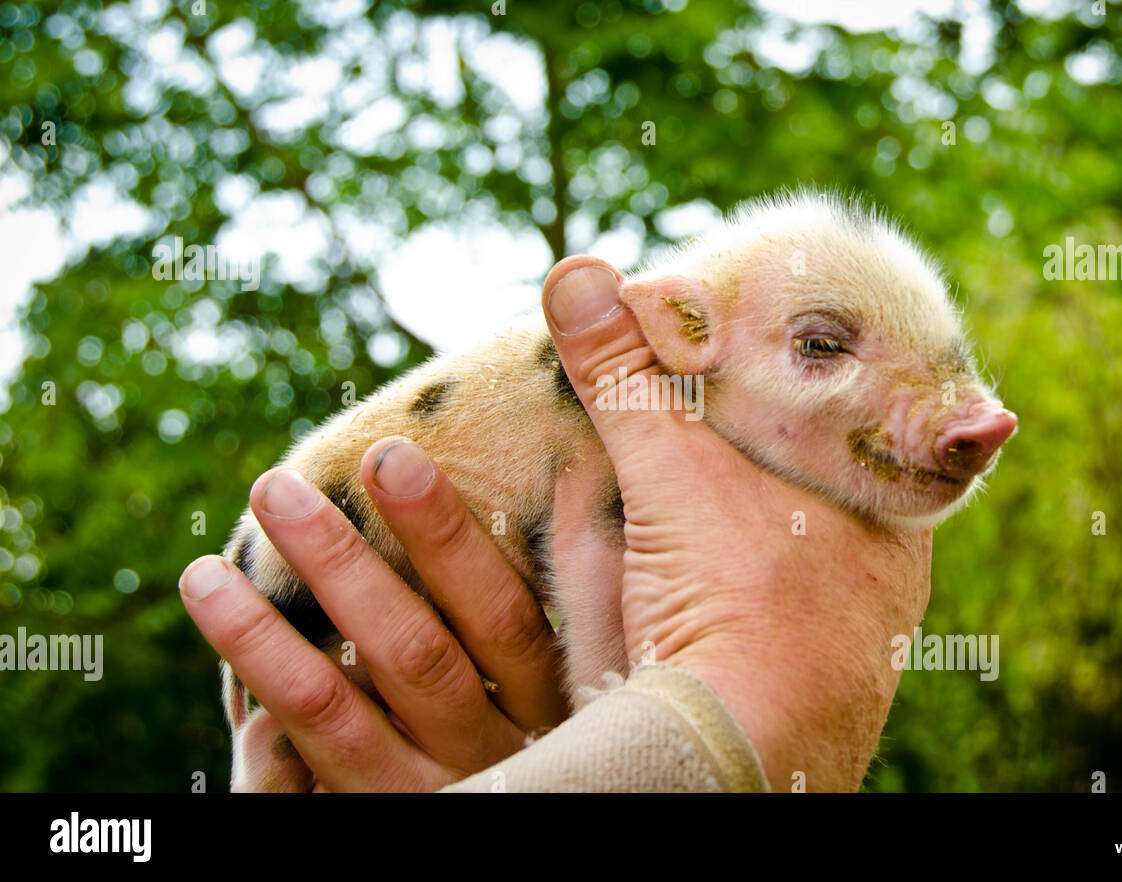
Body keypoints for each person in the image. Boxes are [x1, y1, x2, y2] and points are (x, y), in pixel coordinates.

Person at [179, 256, 933, 792]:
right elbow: (593, 550)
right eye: (820, 347)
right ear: (687, 324)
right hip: (304, 578)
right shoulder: (639, 407)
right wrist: (696, 731)